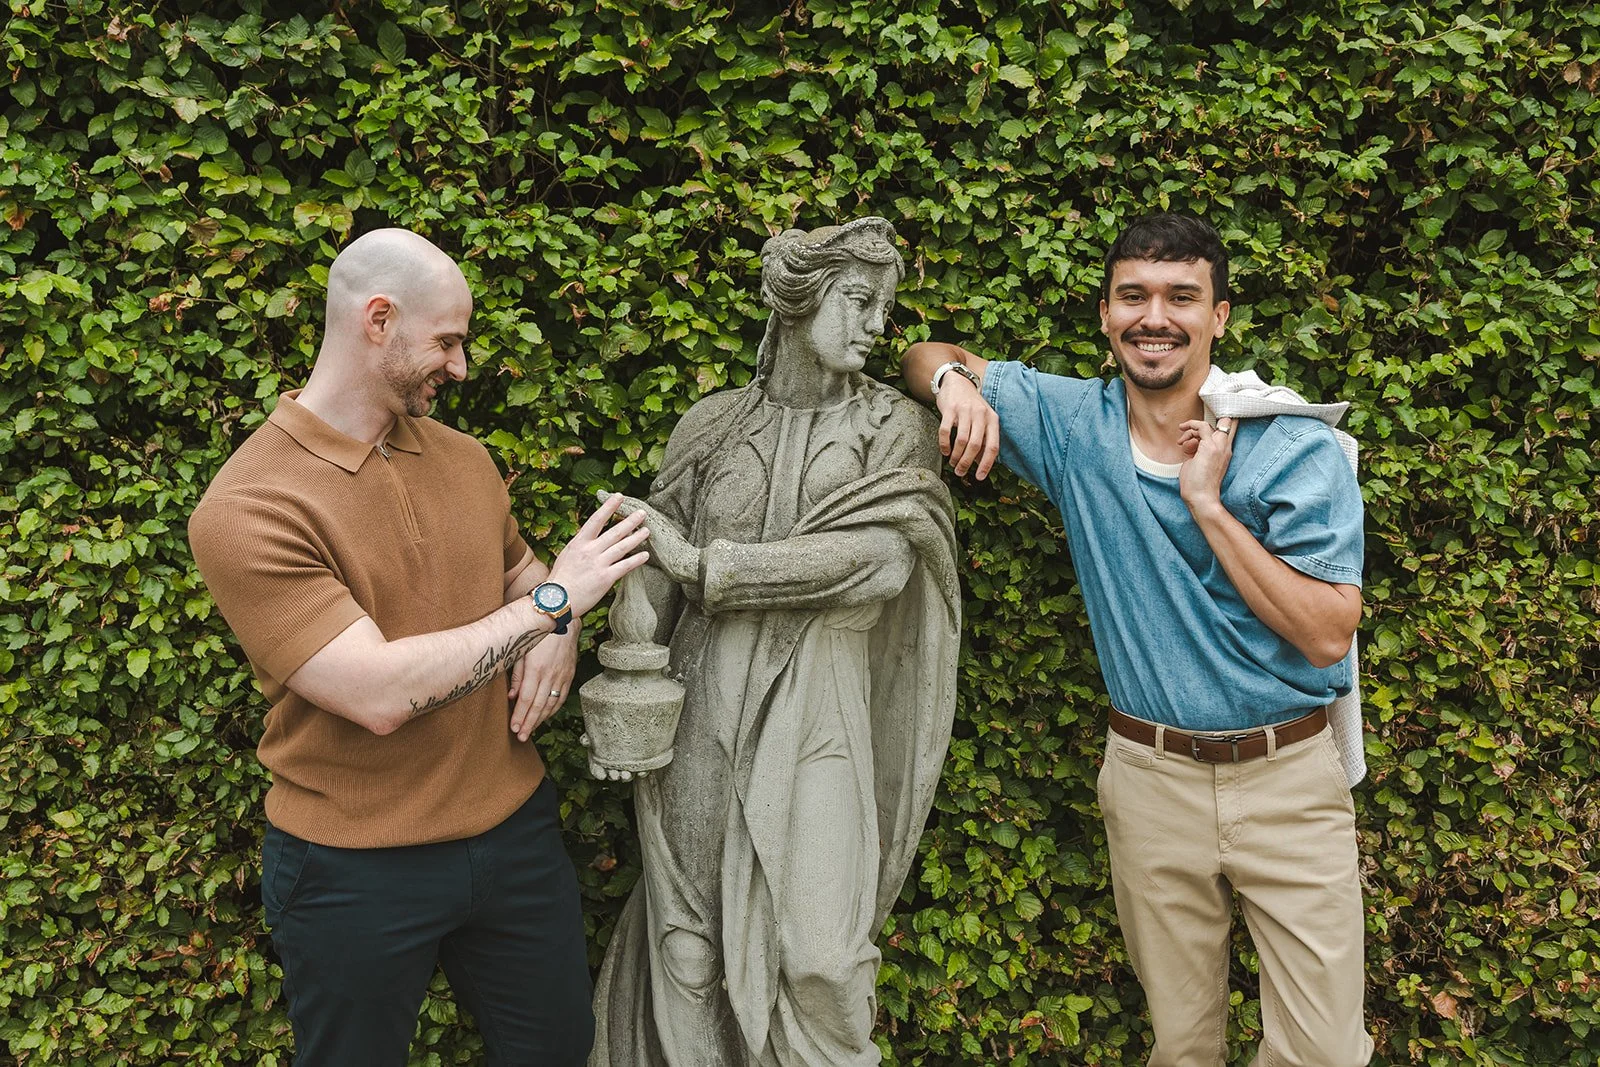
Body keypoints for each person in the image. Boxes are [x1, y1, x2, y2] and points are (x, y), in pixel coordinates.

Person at [901, 213, 1373, 1066]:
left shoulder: (1291, 444)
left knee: (1326, 1053)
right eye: (1134, 296)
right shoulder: (1075, 421)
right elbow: (925, 352)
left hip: (1289, 783)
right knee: (1182, 1046)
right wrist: (955, 389)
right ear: (1107, 314)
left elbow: (1325, 631)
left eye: (1181, 297)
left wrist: (1207, 504)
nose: (1155, 316)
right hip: (1151, 781)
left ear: (1219, 317)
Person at [187, 228, 650, 1067]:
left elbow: (527, 576)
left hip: (512, 836)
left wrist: (561, 629)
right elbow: (377, 694)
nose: (462, 365)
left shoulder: (465, 459)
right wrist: (555, 603)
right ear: (377, 320)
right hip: (352, 868)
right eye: (447, 340)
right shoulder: (248, 506)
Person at [588, 217, 961, 1065]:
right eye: (859, 301)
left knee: (825, 958)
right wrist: (624, 687)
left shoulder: (893, 430)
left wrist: (708, 566)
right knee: (688, 943)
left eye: (884, 306)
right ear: (798, 300)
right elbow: (647, 558)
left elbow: (882, 561)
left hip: (819, 699)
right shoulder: (711, 425)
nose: (876, 324)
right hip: (702, 697)